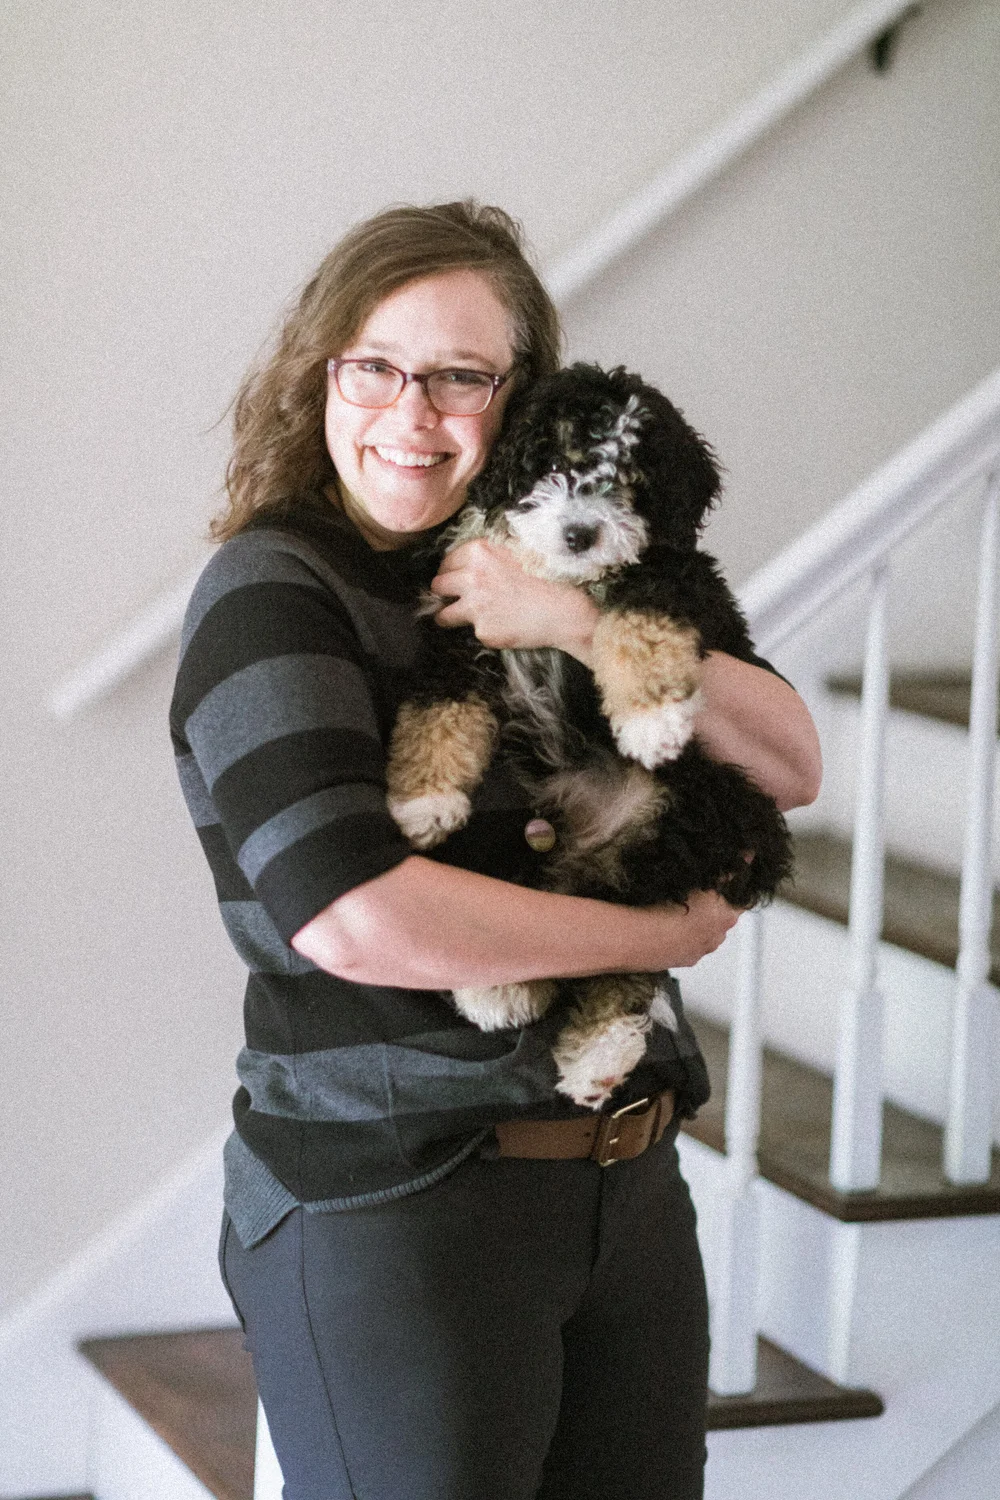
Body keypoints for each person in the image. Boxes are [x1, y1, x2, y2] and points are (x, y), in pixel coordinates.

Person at [170, 201, 821, 1500]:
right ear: (321, 376)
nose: (414, 413)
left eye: (461, 375)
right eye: (377, 367)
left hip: (627, 1189)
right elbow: (351, 911)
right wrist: (662, 939)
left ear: (518, 397)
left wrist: (576, 621)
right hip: (400, 1206)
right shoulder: (273, 589)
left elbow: (791, 760)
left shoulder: (568, 566)